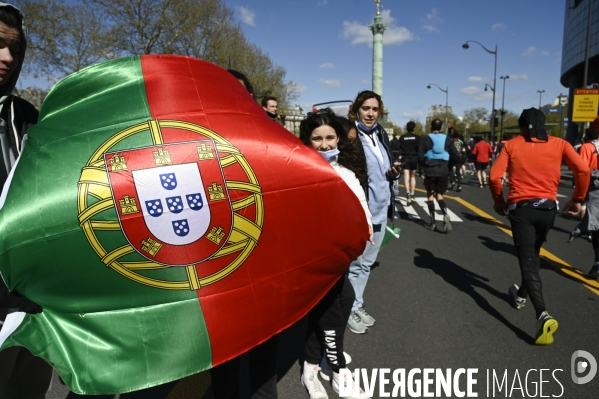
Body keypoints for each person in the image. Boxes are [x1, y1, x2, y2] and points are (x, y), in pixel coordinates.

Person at [489, 108, 590, 345]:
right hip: (548, 209)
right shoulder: (560, 143)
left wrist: (498, 202)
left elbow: (495, 177)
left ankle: (542, 314)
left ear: (523, 126)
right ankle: (521, 295)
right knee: (534, 254)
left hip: (522, 210)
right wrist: (577, 198)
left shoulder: (512, 145)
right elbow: (583, 170)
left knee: (527, 260)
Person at [208, 70, 279, 399]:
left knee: (264, 355)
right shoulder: (198, 143)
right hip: (220, 269)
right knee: (224, 360)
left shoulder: (271, 141)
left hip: (264, 269)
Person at [0, 4, 55, 398]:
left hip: (33, 305)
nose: (7, 58)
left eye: (15, 49)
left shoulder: (27, 116)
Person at [299, 108, 372, 399]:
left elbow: (362, 211)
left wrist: (362, 234)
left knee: (344, 301)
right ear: (306, 141)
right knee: (329, 313)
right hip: (311, 261)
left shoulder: (346, 173)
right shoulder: (296, 173)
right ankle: (331, 368)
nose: (325, 144)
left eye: (331, 137)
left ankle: (314, 362)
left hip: (339, 258)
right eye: (317, 138)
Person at [346, 90, 399, 334]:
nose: (370, 113)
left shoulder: (381, 134)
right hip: (361, 210)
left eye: (374, 109)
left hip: (381, 207)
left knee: (366, 263)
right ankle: (349, 309)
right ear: (357, 109)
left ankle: (357, 304)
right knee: (355, 263)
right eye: (366, 108)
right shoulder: (351, 135)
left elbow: (382, 168)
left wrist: (393, 173)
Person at [417, 118, 459, 233]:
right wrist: (448, 166)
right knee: (440, 195)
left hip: (430, 169)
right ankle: (445, 214)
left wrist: (423, 166)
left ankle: (433, 222)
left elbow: (420, 156)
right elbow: (455, 155)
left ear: (431, 127)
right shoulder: (447, 139)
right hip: (443, 169)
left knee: (430, 195)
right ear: (441, 128)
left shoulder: (425, 138)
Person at [577, 120, 599, 278]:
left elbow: (583, 171)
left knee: (596, 228)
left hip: (595, 190)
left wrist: (578, 195)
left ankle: (598, 263)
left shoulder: (588, 147)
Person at [398, 121, 420, 205]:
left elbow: (399, 149)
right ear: (414, 128)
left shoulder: (402, 137)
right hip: (414, 158)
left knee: (406, 176)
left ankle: (407, 194)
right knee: (413, 176)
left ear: (406, 128)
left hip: (405, 158)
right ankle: (412, 194)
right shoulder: (417, 138)